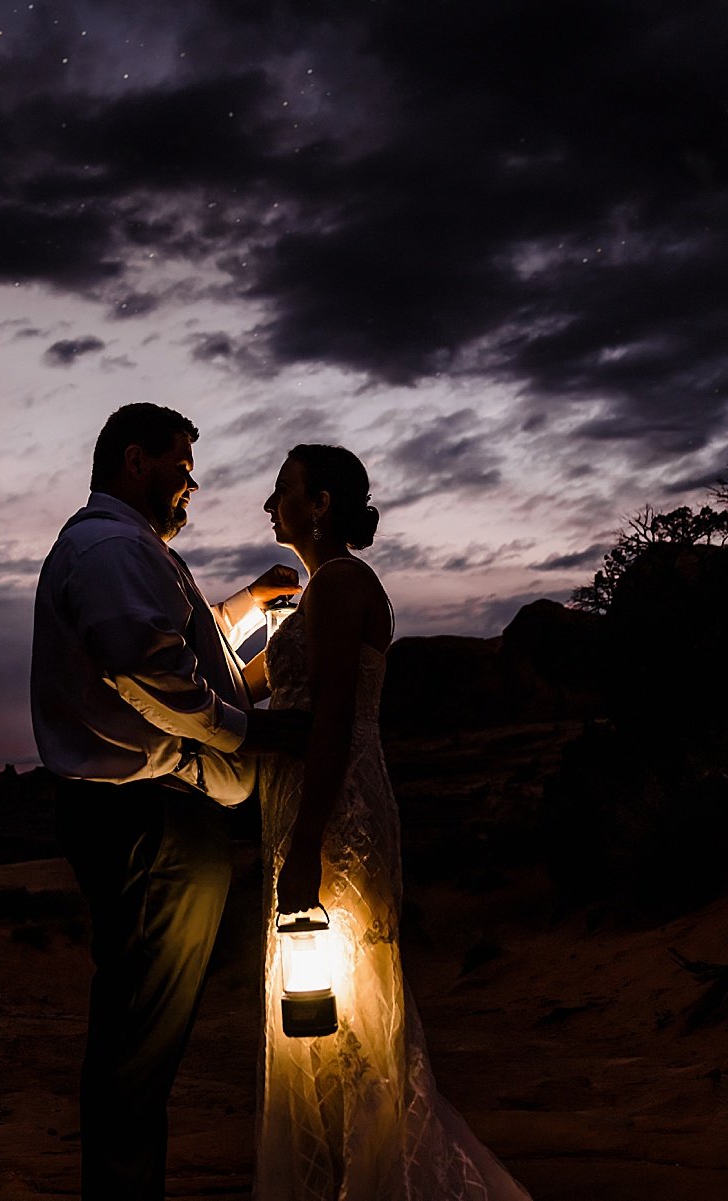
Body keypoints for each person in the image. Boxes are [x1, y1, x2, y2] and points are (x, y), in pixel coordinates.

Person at [31, 402, 305, 1201]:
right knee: (138, 1044)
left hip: (149, 817)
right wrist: (243, 733)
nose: (192, 482)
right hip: (150, 820)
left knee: (141, 1037)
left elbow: (169, 641)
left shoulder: (122, 550)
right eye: (181, 465)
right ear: (134, 460)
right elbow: (141, 664)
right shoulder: (113, 546)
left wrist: (246, 609)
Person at [255, 444, 532, 1201]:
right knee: (321, 1015)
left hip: (338, 808)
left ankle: (375, 1182)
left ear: (321, 503)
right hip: (317, 800)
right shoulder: (319, 589)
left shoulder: (343, 585)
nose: (267, 503)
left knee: (345, 1011)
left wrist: (307, 841)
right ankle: (349, 1176)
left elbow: (335, 717)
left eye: (282, 489)